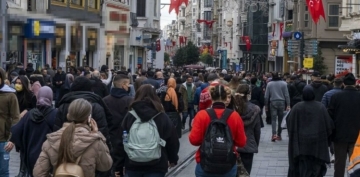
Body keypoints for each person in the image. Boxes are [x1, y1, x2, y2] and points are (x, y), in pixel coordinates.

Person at [33, 98, 113, 177]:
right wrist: (97, 134)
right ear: (89, 118)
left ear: (68, 115)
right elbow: (106, 166)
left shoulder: (52, 140)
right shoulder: (94, 141)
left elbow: (38, 173)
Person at [114, 84, 179, 177]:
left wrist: (118, 166)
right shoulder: (161, 116)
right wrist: (173, 159)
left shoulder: (130, 116)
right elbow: (172, 140)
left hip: (132, 164)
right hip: (157, 164)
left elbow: (121, 141)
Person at [189, 84, 247, 177]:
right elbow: (241, 142)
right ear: (226, 98)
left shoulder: (202, 115)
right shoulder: (235, 116)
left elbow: (194, 140)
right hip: (228, 164)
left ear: (211, 97)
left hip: (205, 163)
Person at [287, 86, 334, 177]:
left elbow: (290, 124)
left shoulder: (297, 107)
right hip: (317, 143)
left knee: (302, 167)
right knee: (316, 167)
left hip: (301, 144)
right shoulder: (320, 107)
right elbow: (329, 125)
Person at [10, 86, 57, 177]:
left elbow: (16, 131)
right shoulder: (55, 114)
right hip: (47, 156)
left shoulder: (29, 114)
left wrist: (20, 145)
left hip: (30, 155)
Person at [328, 73, 360, 177]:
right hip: (357, 136)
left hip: (339, 135)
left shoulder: (336, 96)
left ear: (343, 84)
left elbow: (330, 116)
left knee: (339, 163)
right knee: (355, 163)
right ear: (355, 83)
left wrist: (331, 133)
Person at [233, 84, 261, 174]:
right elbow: (257, 130)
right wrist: (255, 143)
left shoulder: (232, 109)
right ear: (248, 94)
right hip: (248, 145)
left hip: (233, 145)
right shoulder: (254, 109)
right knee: (246, 172)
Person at [0, 68, 20, 177]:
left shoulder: (10, 95)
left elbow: (16, 118)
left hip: (3, 139)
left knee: (3, 171)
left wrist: (12, 139)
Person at [264, 72, 290, 141]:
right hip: (282, 102)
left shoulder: (269, 84)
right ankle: (279, 134)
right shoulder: (284, 83)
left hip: (273, 102)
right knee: (280, 119)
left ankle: (273, 135)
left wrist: (266, 105)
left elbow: (266, 96)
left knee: (273, 119)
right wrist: (288, 104)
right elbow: (287, 95)